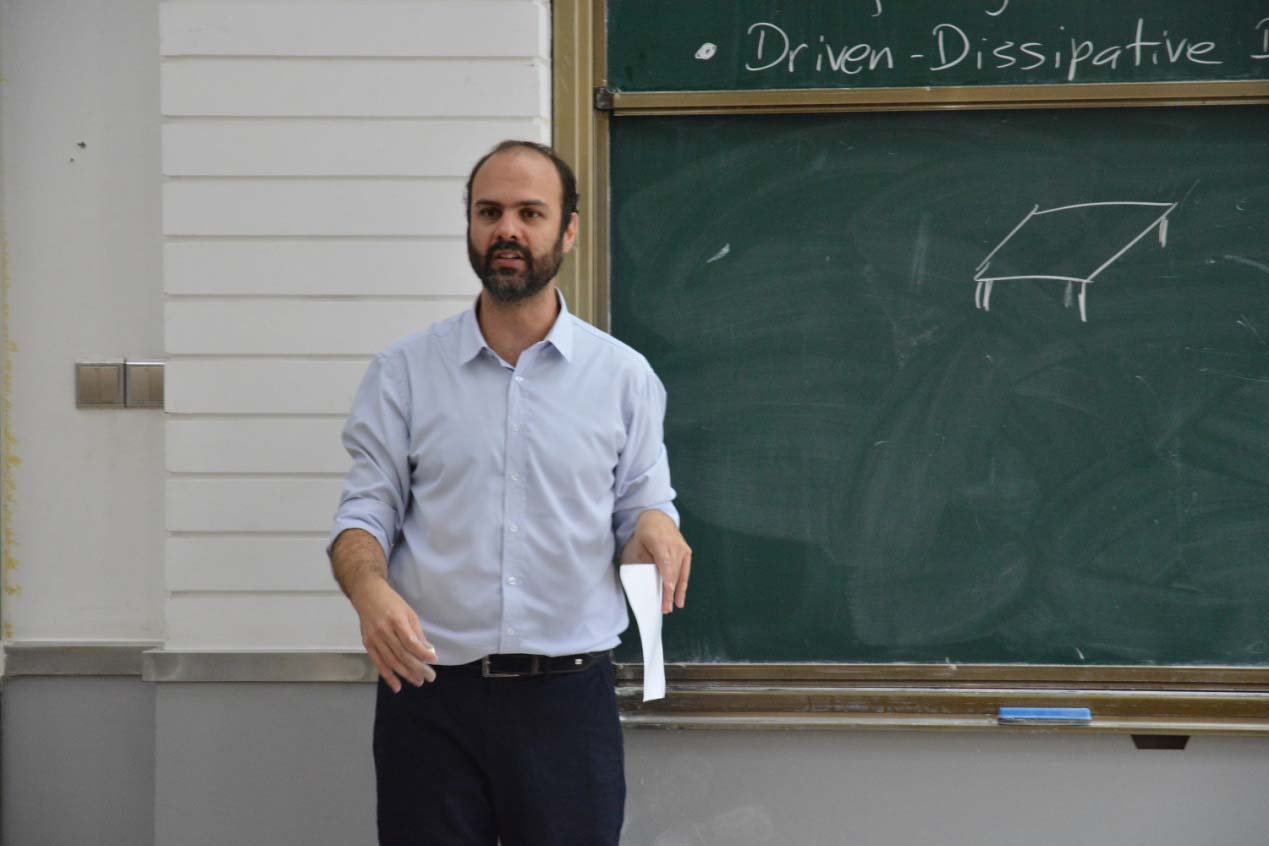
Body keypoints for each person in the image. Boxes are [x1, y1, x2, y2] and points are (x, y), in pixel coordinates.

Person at [326, 139, 691, 846]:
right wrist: (368, 591)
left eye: (530, 212)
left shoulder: (623, 378)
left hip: (569, 703)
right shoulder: (403, 373)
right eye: (489, 212)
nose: (507, 230)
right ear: (469, 224)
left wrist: (653, 527)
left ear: (568, 230)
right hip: (429, 696)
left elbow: (641, 511)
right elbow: (364, 512)